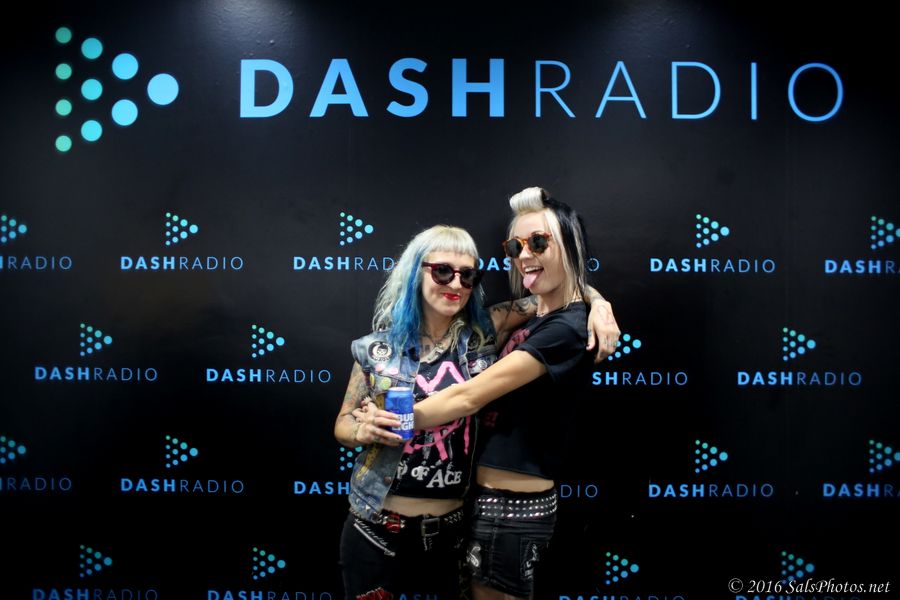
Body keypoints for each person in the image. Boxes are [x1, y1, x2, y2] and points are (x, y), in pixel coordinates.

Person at [336, 223, 618, 600]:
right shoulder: (375, 349)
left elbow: (560, 292)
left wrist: (599, 303)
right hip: (374, 529)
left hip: (451, 532)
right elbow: (343, 423)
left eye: (467, 275)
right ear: (415, 272)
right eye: (442, 272)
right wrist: (361, 431)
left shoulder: (485, 332)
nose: (456, 284)